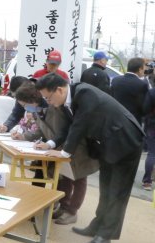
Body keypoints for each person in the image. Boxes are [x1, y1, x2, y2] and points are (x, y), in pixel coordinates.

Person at [39, 73, 144, 243]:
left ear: (59, 89)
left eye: (48, 97)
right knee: (106, 189)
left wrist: (64, 153)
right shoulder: (66, 103)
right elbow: (68, 127)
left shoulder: (86, 93)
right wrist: (50, 144)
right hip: (107, 145)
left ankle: (105, 235)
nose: (48, 102)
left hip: (126, 142)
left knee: (117, 192)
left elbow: (81, 124)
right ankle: (97, 226)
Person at [13, 82, 99, 225]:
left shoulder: (55, 108)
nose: (25, 108)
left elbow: (63, 131)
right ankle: (63, 206)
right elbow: (42, 130)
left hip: (76, 146)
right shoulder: (37, 110)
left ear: (33, 100)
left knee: (79, 177)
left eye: (25, 105)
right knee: (66, 177)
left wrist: (51, 144)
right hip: (60, 148)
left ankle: (72, 211)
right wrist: (25, 136)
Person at [111, 57, 148, 125]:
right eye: (144, 68)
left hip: (116, 119)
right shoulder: (142, 84)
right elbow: (143, 106)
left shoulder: (116, 80)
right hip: (133, 121)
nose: (144, 71)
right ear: (140, 69)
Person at [140, 86, 155, 190]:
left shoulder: (152, 92)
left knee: (152, 153)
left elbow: (145, 109)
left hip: (152, 124)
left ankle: (147, 182)